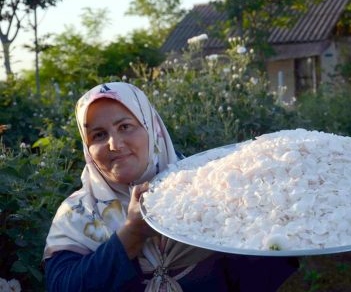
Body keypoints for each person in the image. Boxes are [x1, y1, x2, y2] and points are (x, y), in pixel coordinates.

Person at [44, 82, 297, 291]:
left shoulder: (206, 187)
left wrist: (278, 223)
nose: (114, 144)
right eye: (98, 135)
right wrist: (132, 233)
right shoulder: (77, 214)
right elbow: (62, 286)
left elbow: (252, 281)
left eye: (125, 127)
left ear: (153, 131)